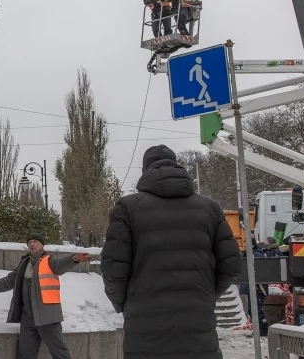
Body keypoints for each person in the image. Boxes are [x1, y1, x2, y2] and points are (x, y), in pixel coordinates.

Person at [101, 145, 241, 359]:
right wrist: (206, 295)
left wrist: (124, 304)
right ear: (177, 166)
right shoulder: (210, 208)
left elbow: (113, 269)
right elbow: (231, 266)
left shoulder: (127, 208)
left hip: (145, 327)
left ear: (145, 170)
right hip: (198, 325)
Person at [0, 234, 91, 359]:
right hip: (27, 319)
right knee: (25, 354)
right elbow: (8, 281)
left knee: (60, 353)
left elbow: (60, 264)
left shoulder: (49, 261)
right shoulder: (23, 264)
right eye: (29, 242)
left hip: (47, 317)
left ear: (42, 245)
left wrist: (74, 258)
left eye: (35, 241)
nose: (32, 244)